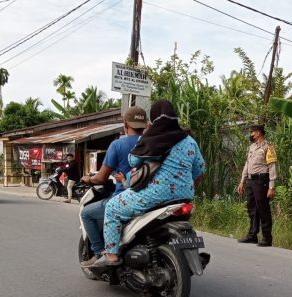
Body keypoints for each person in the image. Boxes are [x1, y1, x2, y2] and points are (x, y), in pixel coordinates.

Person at [88, 99, 206, 268]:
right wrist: (184, 185)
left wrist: (147, 135)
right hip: (184, 195)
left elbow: (134, 160)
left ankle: (111, 255)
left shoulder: (154, 137)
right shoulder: (189, 140)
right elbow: (200, 170)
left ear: (154, 119)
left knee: (113, 208)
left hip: (156, 194)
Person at [79, 106, 148, 265]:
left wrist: (88, 179)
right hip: (151, 196)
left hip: (124, 198)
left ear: (125, 124)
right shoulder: (154, 144)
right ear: (145, 124)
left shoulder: (117, 145)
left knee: (87, 214)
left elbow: (101, 178)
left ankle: (98, 253)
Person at [237, 125, 278, 247]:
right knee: (252, 208)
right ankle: (252, 235)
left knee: (263, 209)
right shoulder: (252, 147)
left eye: (253, 132)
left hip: (262, 180)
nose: (251, 135)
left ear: (259, 133)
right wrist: (242, 181)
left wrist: (271, 187)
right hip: (250, 181)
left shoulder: (268, 147)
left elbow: (272, 167)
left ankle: (267, 238)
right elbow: (247, 164)